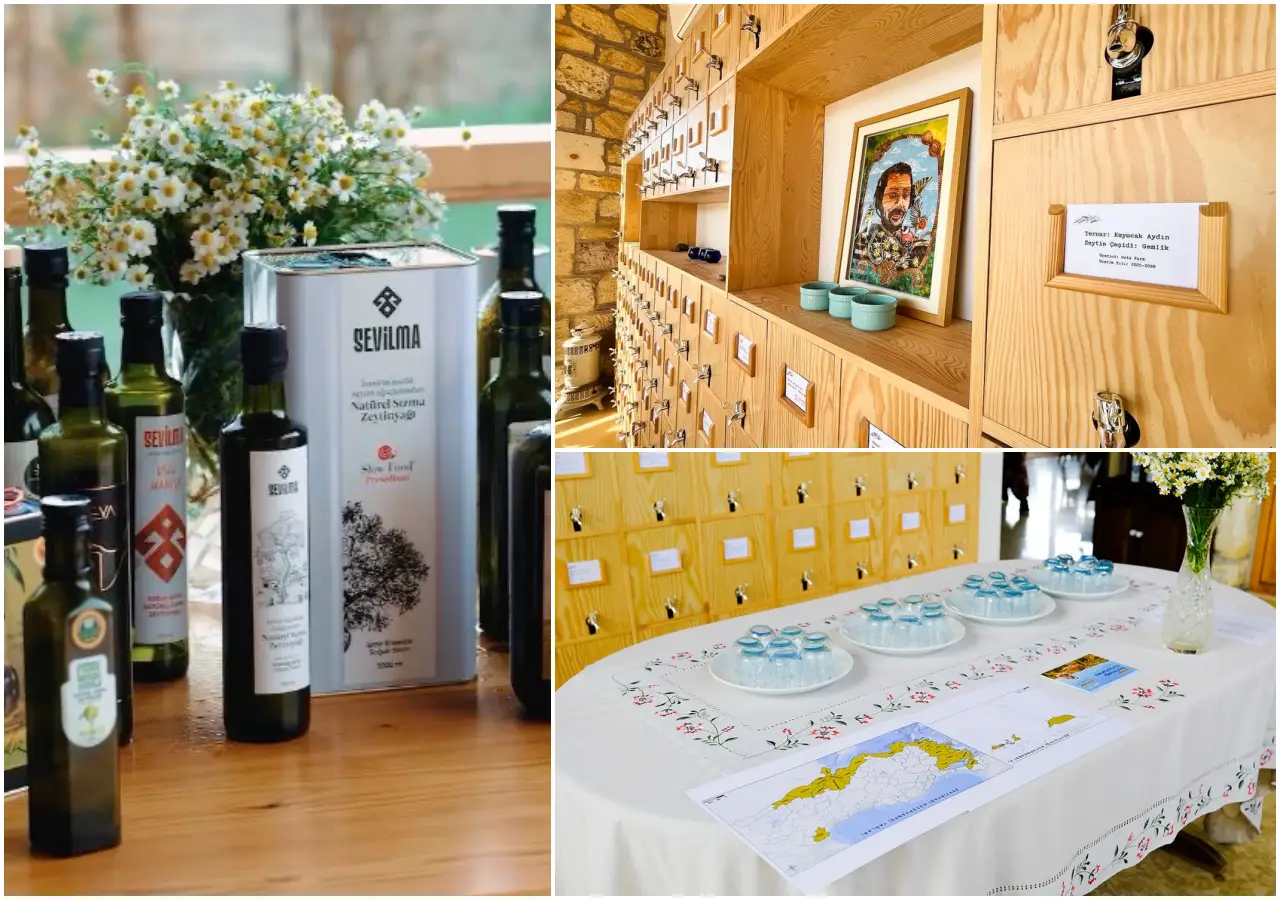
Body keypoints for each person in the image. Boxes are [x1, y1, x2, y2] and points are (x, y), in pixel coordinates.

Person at [852, 161, 931, 275]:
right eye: (893, 195)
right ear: (879, 199)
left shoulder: (921, 248)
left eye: (906, 195)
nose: (900, 204)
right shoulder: (864, 239)